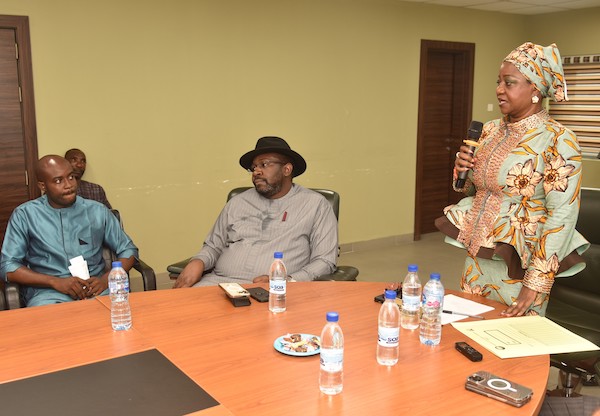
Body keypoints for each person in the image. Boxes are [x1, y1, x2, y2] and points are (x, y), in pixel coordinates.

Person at [435, 42, 589, 317]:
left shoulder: (558, 139)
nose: (499, 89)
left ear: (535, 90)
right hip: (479, 257)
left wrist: (536, 283)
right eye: (498, 82)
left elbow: (562, 215)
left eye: (509, 82)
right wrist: (462, 173)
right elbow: (473, 190)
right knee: (469, 333)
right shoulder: (490, 130)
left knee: (514, 345)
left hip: (524, 266)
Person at [173, 136, 338, 288]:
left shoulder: (316, 205)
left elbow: (324, 261)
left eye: (264, 164)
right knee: (170, 313)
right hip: (218, 284)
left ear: (287, 169)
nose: (256, 171)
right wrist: (198, 262)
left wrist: (285, 281)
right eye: (254, 167)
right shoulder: (238, 202)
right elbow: (213, 246)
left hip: (276, 290)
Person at [0, 155, 138, 307]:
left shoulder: (97, 211)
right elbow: (8, 266)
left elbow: (128, 250)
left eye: (71, 177)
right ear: (42, 186)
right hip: (49, 295)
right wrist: (54, 282)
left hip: (97, 289)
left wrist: (106, 279)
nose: (69, 185)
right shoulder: (25, 215)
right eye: (58, 181)